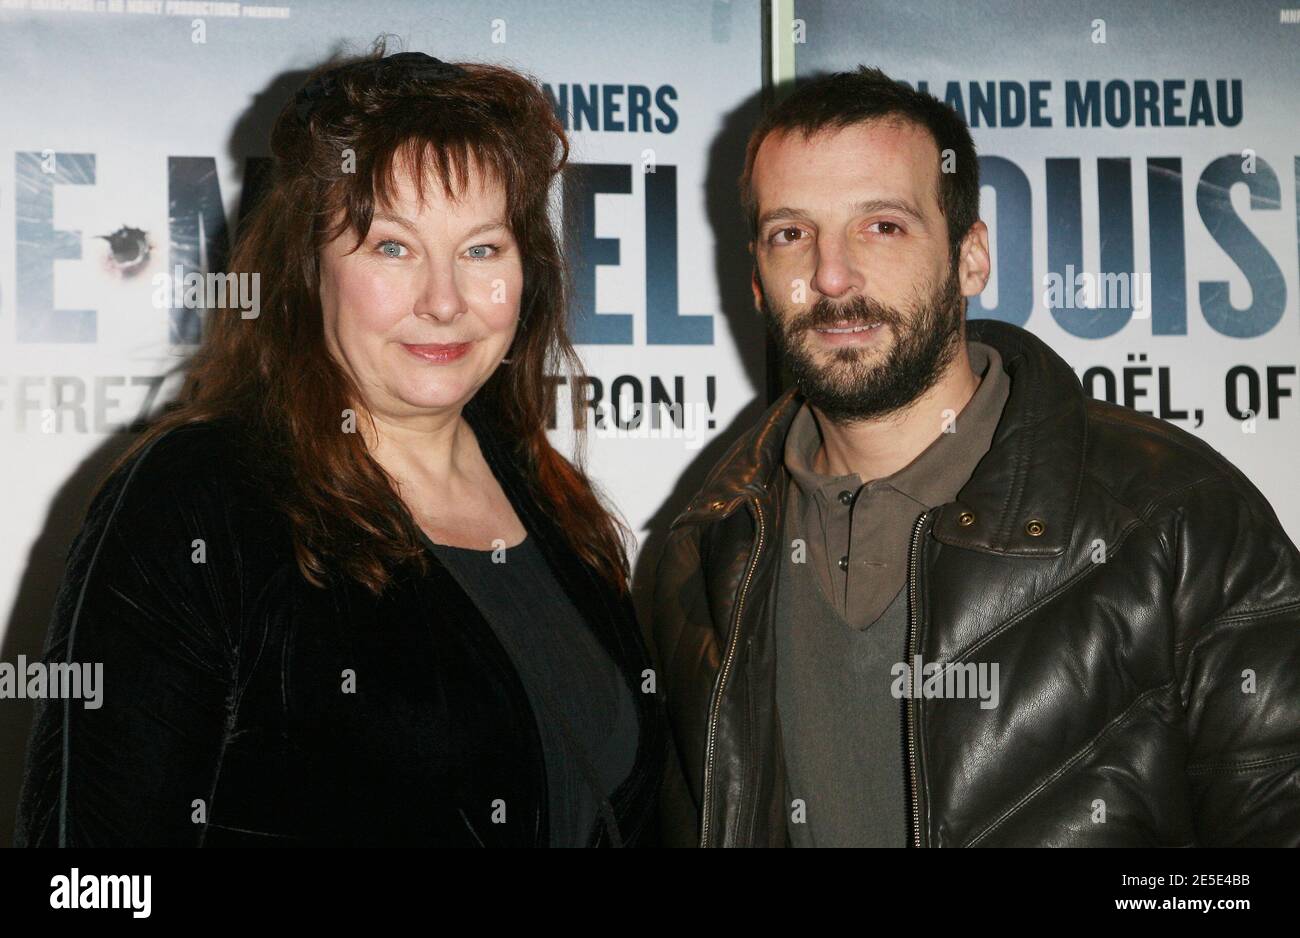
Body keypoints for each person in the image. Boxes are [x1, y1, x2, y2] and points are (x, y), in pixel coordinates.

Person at [15, 42, 665, 847]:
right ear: (307, 268)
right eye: (392, 246)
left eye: (481, 249)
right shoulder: (197, 497)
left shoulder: (549, 495)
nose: (443, 300)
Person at [651, 65, 1300, 847]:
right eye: (792, 233)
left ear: (971, 257)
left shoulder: (1179, 520)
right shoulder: (706, 553)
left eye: (882, 225)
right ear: (756, 278)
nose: (830, 275)